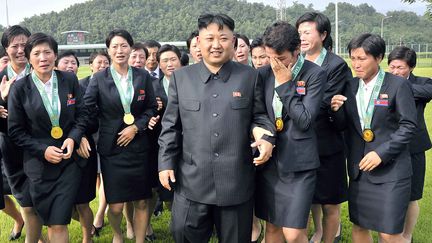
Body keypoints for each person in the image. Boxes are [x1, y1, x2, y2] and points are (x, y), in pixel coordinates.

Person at [158, 13, 275, 243]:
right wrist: (165, 163)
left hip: (235, 181)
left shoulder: (250, 77)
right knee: (182, 233)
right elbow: (170, 126)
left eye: (223, 38)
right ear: (198, 43)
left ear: (233, 42)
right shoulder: (182, 78)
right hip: (192, 179)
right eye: (209, 38)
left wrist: (264, 136)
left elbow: (260, 117)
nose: (216, 45)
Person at [330, 33, 417, 243]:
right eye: (353, 58)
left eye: (362, 59)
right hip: (360, 171)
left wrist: (382, 153)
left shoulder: (397, 85)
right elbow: (344, 127)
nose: (356, 64)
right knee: (360, 228)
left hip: (391, 172)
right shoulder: (350, 86)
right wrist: (336, 111)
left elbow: (408, 125)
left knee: (389, 233)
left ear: (378, 58)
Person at [8, 32, 86, 243]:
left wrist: (73, 138)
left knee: (58, 220)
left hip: (68, 163)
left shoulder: (68, 79)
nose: (43, 58)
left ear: (55, 55)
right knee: (50, 219)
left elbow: (81, 116)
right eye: (37, 53)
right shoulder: (19, 88)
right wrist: (43, 150)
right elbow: (15, 131)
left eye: (47, 52)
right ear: (29, 57)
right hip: (39, 167)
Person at [83, 29, 157, 243]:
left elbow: (151, 108)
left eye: (124, 45)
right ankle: (118, 234)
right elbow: (86, 110)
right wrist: (82, 135)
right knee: (114, 206)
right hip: (112, 149)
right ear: (108, 50)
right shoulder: (98, 79)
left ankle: (140, 239)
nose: (119, 50)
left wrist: (136, 127)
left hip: (138, 147)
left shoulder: (142, 76)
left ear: (131, 48)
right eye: (114, 46)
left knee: (142, 201)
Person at [255, 21, 325, 243]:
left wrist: (285, 84)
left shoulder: (314, 74)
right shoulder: (263, 74)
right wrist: (265, 138)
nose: (274, 63)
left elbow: (304, 120)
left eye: (281, 58)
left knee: (294, 234)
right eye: (269, 57)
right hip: (270, 162)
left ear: (297, 51)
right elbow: (258, 113)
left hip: (299, 165)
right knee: (273, 228)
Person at [296, 12, 350, 243]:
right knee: (304, 201)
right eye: (299, 33)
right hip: (299, 143)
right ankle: (315, 234)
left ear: (323, 34)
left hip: (327, 145)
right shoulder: (296, 61)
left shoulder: (336, 65)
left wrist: (296, 103)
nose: (302, 37)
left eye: (307, 32)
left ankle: (330, 238)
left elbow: (325, 100)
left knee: (329, 202)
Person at [388, 46, 432, 242]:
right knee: (389, 193)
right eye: (392, 67)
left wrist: (398, 88)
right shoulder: (383, 83)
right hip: (388, 146)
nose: (395, 71)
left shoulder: (423, 84)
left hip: (413, 147)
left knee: (412, 195)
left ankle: (407, 237)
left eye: (400, 67)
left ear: (411, 67)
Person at [1, 25, 40, 242]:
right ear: (6, 50)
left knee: (42, 198)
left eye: (24, 45)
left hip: (41, 145)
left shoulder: (43, 75)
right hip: (12, 150)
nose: (19, 50)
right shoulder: (0, 78)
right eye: (14, 46)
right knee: (25, 200)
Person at [56, 50, 97, 243]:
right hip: (57, 152)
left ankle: (86, 238)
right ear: (56, 66)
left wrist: (79, 136)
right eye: (66, 62)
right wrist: (76, 136)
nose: (71, 66)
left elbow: (90, 119)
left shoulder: (83, 88)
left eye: (74, 63)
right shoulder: (49, 90)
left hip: (82, 153)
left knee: (83, 202)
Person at [81, 51, 110, 238]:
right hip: (88, 138)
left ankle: (99, 214)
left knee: (106, 176)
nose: (102, 65)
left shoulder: (112, 82)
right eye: (99, 62)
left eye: (106, 62)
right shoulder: (80, 84)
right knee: (97, 179)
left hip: (108, 136)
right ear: (91, 65)